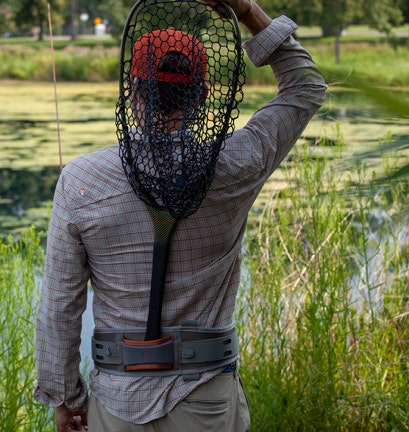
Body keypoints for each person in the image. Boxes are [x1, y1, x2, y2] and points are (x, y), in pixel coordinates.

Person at [34, 0, 327, 430]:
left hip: (117, 400)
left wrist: (66, 398)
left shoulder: (82, 180)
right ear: (203, 95)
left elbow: (60, 305)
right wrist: (246, 10)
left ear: (131, 90)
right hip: (205, 396)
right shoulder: (237, 163)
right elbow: (305, 87)